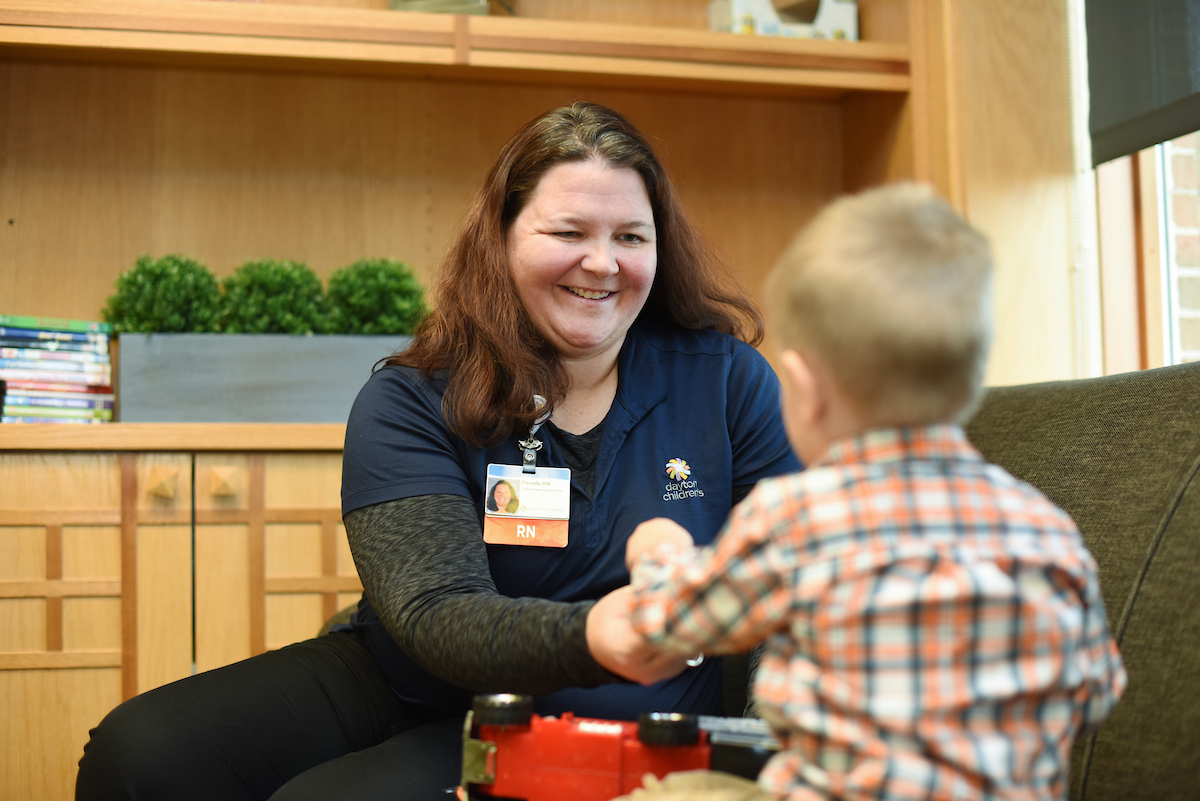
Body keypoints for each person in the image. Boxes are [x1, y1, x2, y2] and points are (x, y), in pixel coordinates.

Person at [74, 101, 800, 801]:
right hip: (420, 675)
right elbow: (437, 613)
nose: (602, 263)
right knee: (142, 753)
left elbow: (792, 584)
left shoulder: (728, 382)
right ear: (503, 236)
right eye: (569, 231)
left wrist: (774, 759)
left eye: (631, 237)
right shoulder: (411, 396)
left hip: (618, 715)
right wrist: (597, 632)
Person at [611, 183, 1128, 800]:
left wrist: (658, 553)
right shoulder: (1046, 527)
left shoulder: (796, 517)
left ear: (804, 387)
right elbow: (1095, 694)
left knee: (673, 792)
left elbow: (670, 624)